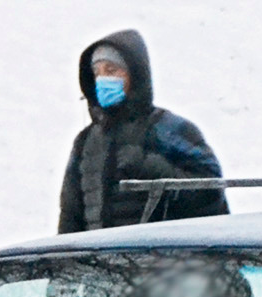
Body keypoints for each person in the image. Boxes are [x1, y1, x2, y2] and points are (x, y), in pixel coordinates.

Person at [58, 29, 230, 231]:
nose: (103, 79)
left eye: (111, 70)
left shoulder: (169, 129)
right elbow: (70, 216)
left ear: (135, 74)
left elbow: (211, 193)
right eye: (97, 73)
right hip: (101, 252)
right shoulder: (86, 141)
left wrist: (154, 169)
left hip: (163, 250)